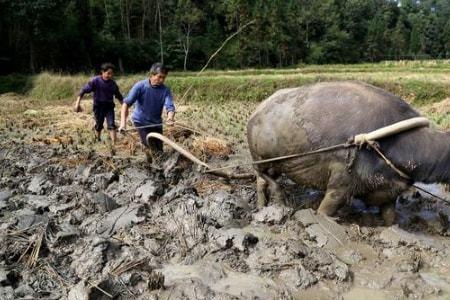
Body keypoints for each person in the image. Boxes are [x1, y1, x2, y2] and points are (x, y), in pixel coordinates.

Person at [119, 63, 175, 158]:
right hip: (141, 122)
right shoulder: (140, 86)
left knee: (160, 150)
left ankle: (155, 164)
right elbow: (126, 104)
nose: (161, 80)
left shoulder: (165, 90)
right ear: (152, 75)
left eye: (164, 78)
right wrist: (122, 124)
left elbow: (170, 106)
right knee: (151, 147)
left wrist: (170, 118)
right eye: (159, 77)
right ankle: (152, 166)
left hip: (156, 123)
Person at [75, 62, 123, 144]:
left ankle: (114, 143)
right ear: (102, 72)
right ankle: (97, 140)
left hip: (109, 107)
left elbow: (119, 96)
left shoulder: (113, 84)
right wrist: (77, 103)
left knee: (111, 124)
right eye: (108, 73)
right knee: (99, 125)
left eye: (111, 74)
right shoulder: (95, 81)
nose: (110, 76)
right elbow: (83, 91)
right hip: (98, 107)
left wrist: (124, 106)